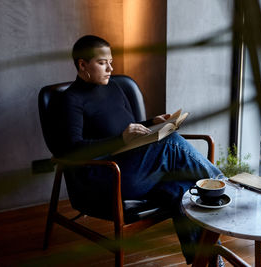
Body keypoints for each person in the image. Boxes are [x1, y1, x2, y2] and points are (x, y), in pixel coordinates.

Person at [54, 35, 224, 265]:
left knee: (184, 190)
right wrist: (120, 140)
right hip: (106, 177)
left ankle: (206, 262)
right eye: (103, 62)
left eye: (110, 61)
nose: (111, 68)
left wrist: (151, 122)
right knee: (171, 141)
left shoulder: (114, 87)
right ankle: (223, 183)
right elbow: (72, 150)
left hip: (134, 169)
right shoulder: (70, 100)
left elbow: (128, 132)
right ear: (83, 64)